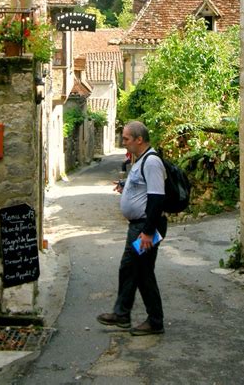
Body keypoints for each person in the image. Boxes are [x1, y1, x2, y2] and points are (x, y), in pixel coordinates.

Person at [97, 121, 167, 336]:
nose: (123, 142)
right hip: (139, 226)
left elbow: (157, 198)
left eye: (126, 138)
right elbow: (143, 188)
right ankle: (122, 314)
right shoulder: (141, 160)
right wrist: (126, 187)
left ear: (139, 139)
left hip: (147, 226)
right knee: (129, 268)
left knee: (143, 272)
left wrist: (147, 232)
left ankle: (155, 321)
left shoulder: (152, 162)